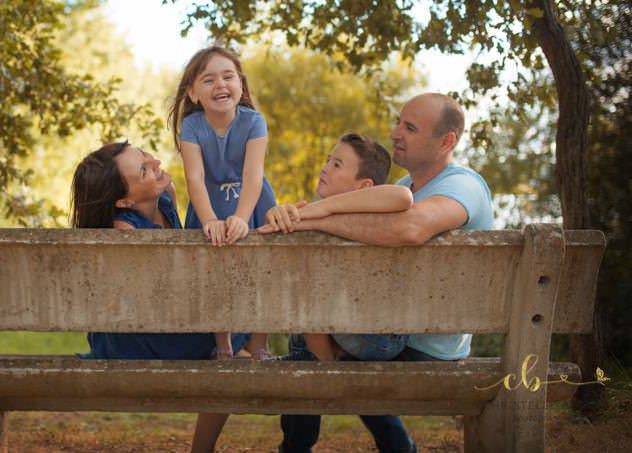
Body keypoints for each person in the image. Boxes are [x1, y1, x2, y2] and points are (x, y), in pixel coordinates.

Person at [259, 93, 494, 453]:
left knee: (309, 325)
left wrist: (318, 215)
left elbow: (411, 228)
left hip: (423, 346)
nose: (395, 132)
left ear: (446, 141)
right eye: (399, 122)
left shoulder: (464, 185)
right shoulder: (399, 188)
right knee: (312, 321)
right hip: (385, 328)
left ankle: (296, 448)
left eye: (410, 128)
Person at [70, 141, 250, 453]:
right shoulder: (123, 231)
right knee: (233, 352)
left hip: (162, 323)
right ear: (124, 200)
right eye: (143, 169)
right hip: (132, 338)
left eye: (144, 154)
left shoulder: (166, 199)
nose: (154, 161)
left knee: (235, 355)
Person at [261, 133, 413, 361]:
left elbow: (402, 196)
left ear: (365, 186)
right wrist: (278, 215)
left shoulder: (373, 219)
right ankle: (314, 359)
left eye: (336, 165)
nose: (325, 168)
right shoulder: (313, 213)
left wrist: (321, 209)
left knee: (308, 288)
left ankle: (329, 370)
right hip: (341, 324)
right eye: (328, 160)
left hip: (376, 334)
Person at [168, 45, 275, 361]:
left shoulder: (254, 122)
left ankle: (259, 342)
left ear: (240, 84)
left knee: (263, 270)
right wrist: (210, 220)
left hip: (251, 200)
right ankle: (224, 343)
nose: (221, 85)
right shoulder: (192, 126)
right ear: (193, 92)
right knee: (215, 268)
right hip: (209, 203)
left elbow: (253, 175)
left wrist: (242, 217)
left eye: (228, 77)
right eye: (209, 80)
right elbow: (195, 179)